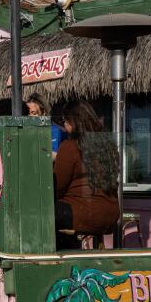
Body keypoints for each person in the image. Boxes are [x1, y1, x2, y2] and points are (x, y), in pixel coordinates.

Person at [53, 101, 120, 250]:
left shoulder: (69, 147)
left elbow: (58, 187)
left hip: (83, 213)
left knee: (38, 213)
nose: (64, 125)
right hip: (111, 214)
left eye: (65, 120)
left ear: (73, 122)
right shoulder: (108, 145)